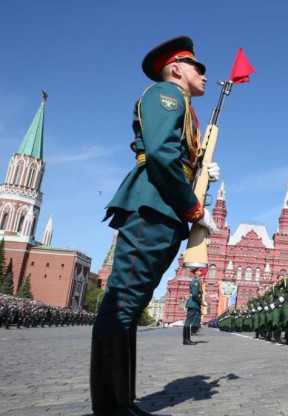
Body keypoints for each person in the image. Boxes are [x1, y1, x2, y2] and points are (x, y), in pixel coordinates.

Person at [90, 36, 219, 416]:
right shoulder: (167, 94)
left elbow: (173, 155)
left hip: (165, 208)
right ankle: (112, 407)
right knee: (122, 303)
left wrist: (200, 172)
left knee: (131, 304)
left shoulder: (184, 106)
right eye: (199, 67)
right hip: (154, 204)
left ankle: (121, 402)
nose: (205, 76)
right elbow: (162, 156)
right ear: (176, 68)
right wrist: (194, 209)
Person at [183, 267, 205, 345]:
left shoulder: (197, 280)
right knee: (188, 321)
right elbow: (195, 294)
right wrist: (201, 301)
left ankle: (187, 339)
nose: (201, 272)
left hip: (194, 303)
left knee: (189, 321)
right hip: (193, 303)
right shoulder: (196, 281)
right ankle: (186, 340)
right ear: (196, 272)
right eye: (200, 271)